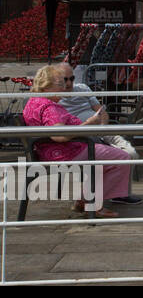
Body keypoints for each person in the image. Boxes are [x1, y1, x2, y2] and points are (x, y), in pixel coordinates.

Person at [23, 65, 133, 218]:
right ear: (46, 86)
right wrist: (89, 123)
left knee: (104, 160)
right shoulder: (49, 107)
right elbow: (60, 136)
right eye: (60, 84)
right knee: (122, 158)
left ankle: (85, 200)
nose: (65, 88)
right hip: (64, 153)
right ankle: (92, 203)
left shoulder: (33, 102)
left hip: (52, 151)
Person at [53, 63, 142, 205]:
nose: (69, 83)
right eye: (65, 79)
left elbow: (102, 112)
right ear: (55, 79)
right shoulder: (54, 99)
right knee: (119, 158)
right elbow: (59, 130)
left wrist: (102, 126)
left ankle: (119, 193)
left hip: (101, 131)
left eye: (72, 78)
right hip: (81, 137)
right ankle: (94, 198)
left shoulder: (83, 88)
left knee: (131, 154)